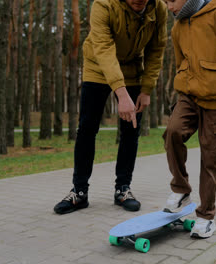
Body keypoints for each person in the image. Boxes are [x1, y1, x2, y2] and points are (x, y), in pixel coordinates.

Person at [54, 0, 168, 214]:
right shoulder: (103, 4)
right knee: (87, 129)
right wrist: (120, 92)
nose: (138, 0)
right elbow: (104, 49)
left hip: (132, 69)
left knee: (131, 130)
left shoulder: (159, 9)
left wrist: (146, 90)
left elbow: (156, 49)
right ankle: (79, 192)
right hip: (97, 66)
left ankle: (123, 189)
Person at [162, 0, 216, 238]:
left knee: (211, 156)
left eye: (171, 1)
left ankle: (205, 216)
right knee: (172, 132)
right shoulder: (177, 27)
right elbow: (180, 60)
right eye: (165, 2)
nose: (169, 6)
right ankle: (181, 189)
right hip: (188, 95)